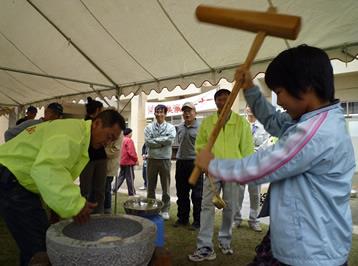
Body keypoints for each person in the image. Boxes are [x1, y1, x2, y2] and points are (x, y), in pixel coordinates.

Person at [195, 45, 354, 266]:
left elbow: (262, 166)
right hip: (302, 238)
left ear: (305, 87)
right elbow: (272, 120)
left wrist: (214, 165)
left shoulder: (316, 132)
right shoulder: (308, 119)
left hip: (312, 250)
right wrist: (250, 88)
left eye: (279, 92)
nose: (278, 102)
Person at [0, 109, 126, 266]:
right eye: (109, 136)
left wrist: (56, 208)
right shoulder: (72, 135)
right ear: (97, 123)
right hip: (9, 175)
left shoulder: (78, 133)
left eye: (112, 140)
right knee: (41, 248)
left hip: (15, 177)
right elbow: (47, 169)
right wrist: (75, 204)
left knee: (35, 242)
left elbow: (57, 173)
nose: (107, 143)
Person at [188, 89, 254, 262]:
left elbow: (247, 148)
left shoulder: (241, 122)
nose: (223, 102)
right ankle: (204, 246)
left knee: (230, 207)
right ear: (215, 102)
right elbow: (201, 144)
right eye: (219, 99)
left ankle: (225, 240)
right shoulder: (208, 122)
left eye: (226, 99)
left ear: (231, 101)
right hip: (212, 170)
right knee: (207, 207)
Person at [234, 106, 270, 232]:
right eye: (248, 106)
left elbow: (266, 144)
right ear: (245, 109)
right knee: (238, 192)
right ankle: (236, 219)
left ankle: (253, 220)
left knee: (255, 194)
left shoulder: (264, 127)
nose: (250, 109)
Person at [174, 102, 203, 230]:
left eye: (189, 111)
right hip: (181, 162)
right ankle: (182, 219)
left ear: (195, 113)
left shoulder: (202, 127)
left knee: (197, 195)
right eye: (184, 111)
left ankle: (197, 221)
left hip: (195, 164)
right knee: (182, 193)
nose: (187, 113)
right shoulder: (179, 127)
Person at [144, 104, 176, 220]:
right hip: (152, 159)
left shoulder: (171, 127)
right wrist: (162, 142)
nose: (159, 114)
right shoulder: (148, 127)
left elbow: (170, 140)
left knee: (165, 187)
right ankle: (151, 207)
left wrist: (155, 141)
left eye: (161, 112)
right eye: (157, 112)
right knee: (150, 186)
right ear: (154, 114)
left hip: (165, 160)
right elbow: (148, 142)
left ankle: (165, 209)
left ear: (165, 114)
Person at [79, 97, 107, 214]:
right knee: (86, 190)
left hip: (100, 158)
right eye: (102, 110)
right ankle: (83, 212)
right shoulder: (85, 124)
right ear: (97, 110)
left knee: (99, 189)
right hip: (87, 160)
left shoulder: (101, 124)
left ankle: (98, 213)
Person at [113, 128, 138, 195]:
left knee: (121, 177)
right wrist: (136, 159)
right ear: (129, 133)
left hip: (121, 161)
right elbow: (131, 152)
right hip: (128, 162)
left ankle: (114, 189)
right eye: (131, 133)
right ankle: (132, 192)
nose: (132, 134)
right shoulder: (129, 140)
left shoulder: (121, 140)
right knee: (130, 178)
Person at [104, 133, 123, 214]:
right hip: (97, 164)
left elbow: (116, 150)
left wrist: (100, 150)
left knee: (106, 188)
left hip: (109, 167)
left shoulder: (119, 132)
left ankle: (107, 210)